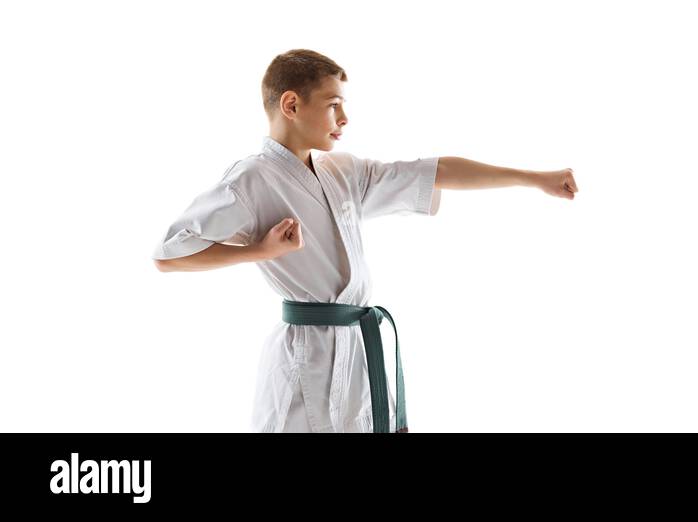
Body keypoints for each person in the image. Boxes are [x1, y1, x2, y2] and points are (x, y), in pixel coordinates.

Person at [152, 49, 578, 432]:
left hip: (355, 347)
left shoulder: (342, 172)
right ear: (291, 104)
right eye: (333, 104)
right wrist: (261, 250)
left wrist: (533, 179)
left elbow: (436, 171)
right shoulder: (250, 179)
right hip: (305, 355)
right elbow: (170, 254)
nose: (344, 118)